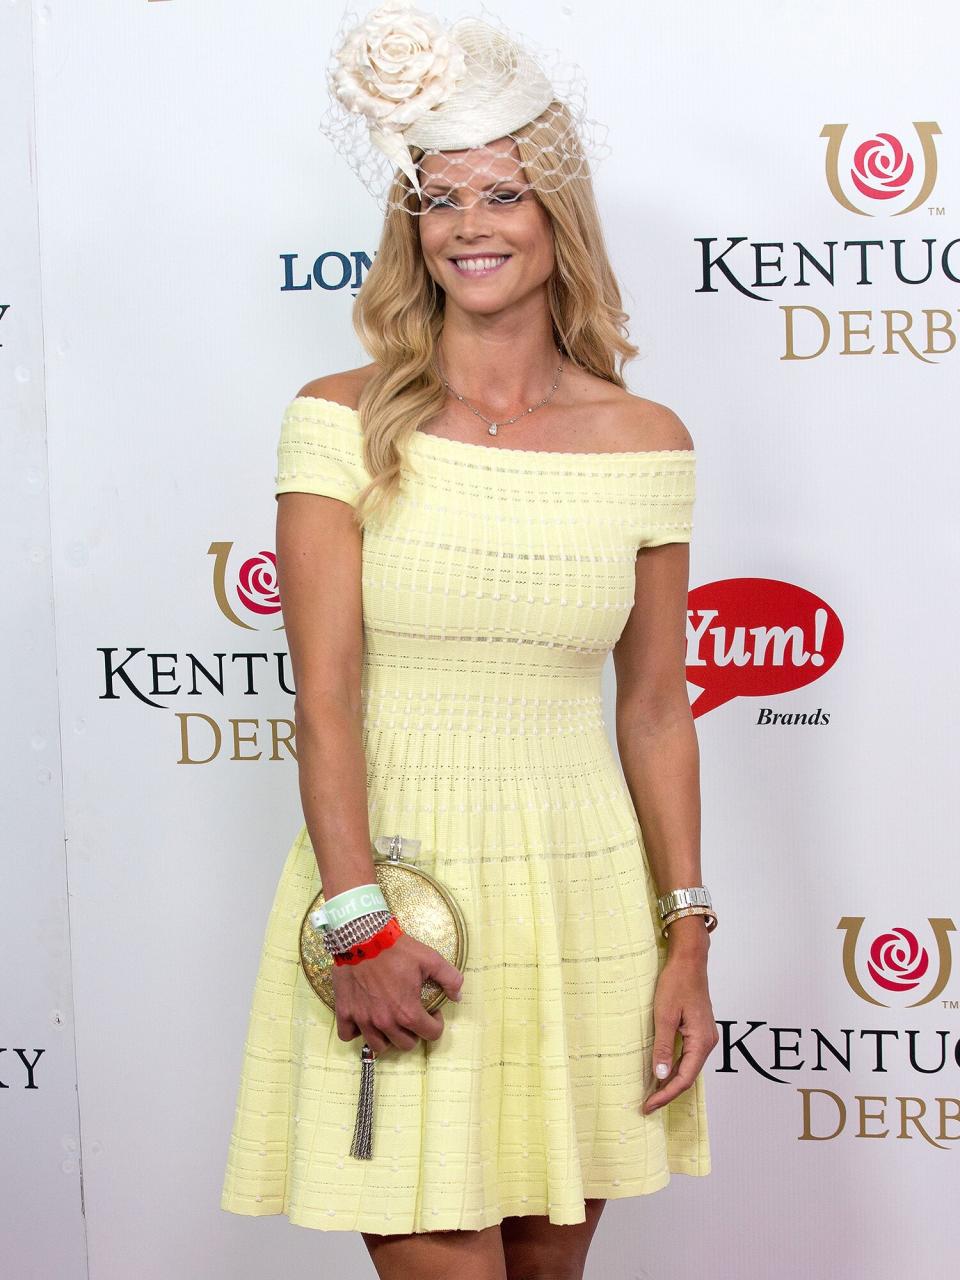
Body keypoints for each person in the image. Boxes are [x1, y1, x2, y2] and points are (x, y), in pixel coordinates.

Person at [221, 5, 719, 1277]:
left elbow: (656, 707)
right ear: (412, 230)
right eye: (441, 203)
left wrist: (686, 940)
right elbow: (323, 696)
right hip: (404, 900)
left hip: (584, 899)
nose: (472, 226)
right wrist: (356, 925)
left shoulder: (645, 438)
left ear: (559, 222)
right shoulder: (339, 421)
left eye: (504, 195)